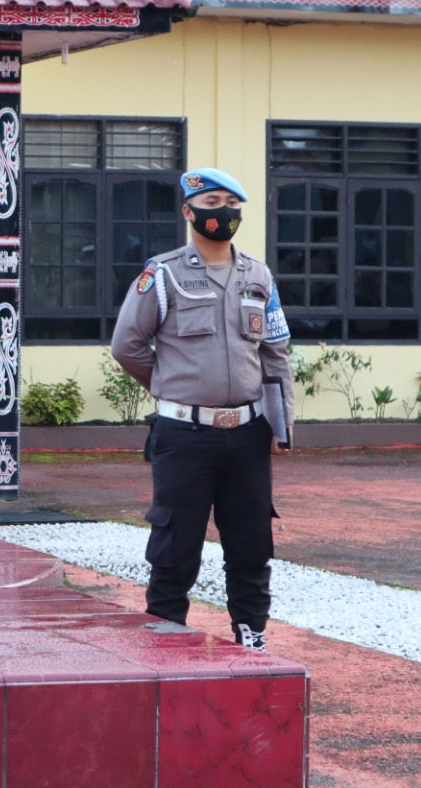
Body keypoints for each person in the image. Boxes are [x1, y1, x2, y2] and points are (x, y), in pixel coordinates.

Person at [110, 167, 293, 652]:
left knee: (251, 544)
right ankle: (166, 636)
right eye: (211, 203)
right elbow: (127, 345)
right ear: (188, 212)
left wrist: (281, 424)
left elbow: (275, 354)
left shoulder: (258, 276)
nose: (223, 212)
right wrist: (170, 387)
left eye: (231, 204)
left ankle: (252, 637)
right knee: (175, 545)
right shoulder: (163, 274)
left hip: (249, 434)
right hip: (184, 436)